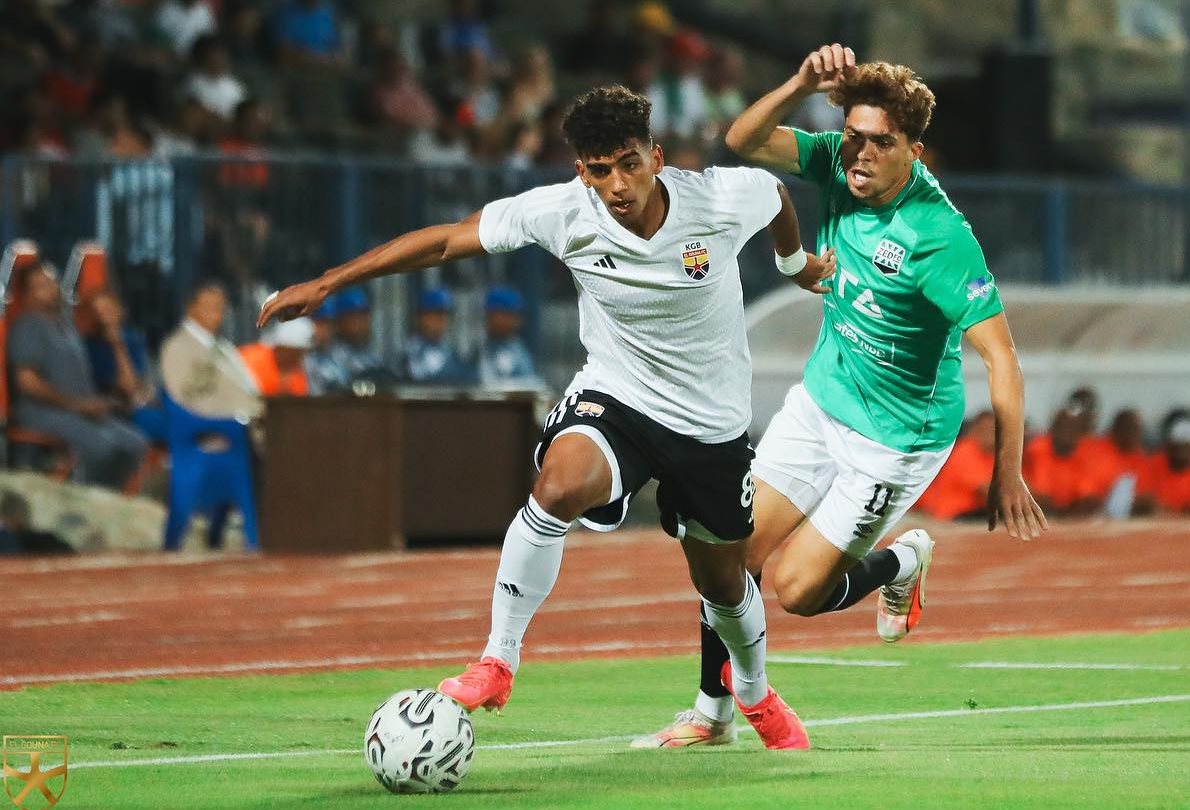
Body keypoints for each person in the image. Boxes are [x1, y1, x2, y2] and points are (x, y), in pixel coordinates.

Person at [259, 84, 834, 749]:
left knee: (724, 583)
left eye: (629, 164)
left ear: (655, 157)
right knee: (557, 486)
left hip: (710, 424)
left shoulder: (719, 198)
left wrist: (794, 264)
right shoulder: (561, 212)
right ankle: (497, 660)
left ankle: (753, 694)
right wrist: (327, 283)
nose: (617, 185)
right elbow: (445, 242)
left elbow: (777, 196)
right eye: (600, 170)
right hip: (619, 397)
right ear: (581, 171)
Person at [636, 44, 1047, 748]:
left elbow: (1001, 359)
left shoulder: (938, 236)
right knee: (726, 552)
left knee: (798, 592)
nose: (859, 154)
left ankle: (900, 561)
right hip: (822, 401)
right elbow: (741, 139)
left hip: (894, 439)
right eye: (853, 135)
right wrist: (799, 83)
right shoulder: (834, 158)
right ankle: (713, 713)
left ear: (914, 151)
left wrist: (1007, 470)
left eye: (880, 142)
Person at [7, 265, 149, 489]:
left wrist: (94, 403)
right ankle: (82, 499)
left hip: (80, 413)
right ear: (27, 295)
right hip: (43, 413)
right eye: (41, 286)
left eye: (51, 282)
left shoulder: (67, 326)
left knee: (135, 443)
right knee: (102, 446)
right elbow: (27, 383)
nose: (50, 289)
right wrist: (77, 405)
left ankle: (108, 496)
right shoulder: (27, 326)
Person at [159, 282, 262, 422]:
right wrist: (240, 413)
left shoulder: (222, 345)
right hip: (222, 423)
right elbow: (185, 398)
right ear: (190, 308)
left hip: (252, 415)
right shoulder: (176, 347)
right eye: (210, 307)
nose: (217, 313)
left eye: (221, 307)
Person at [913, 410, 995, 521]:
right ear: (974, 430)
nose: (990, 435)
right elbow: (988, 490)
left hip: (972, 512)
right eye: (985, 430)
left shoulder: (991, 455)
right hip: (954, 514)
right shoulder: (966, 451)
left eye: (994, 431)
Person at [404, 287, 473, 384]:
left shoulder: (449, 351)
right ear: (421, 317)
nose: (442, 322)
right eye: (437, 315)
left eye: (445, 316)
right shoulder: (411, 352)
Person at [478, 286, 539, 387]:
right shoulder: (478, 349)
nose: (515, 321)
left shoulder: (519, 351)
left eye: (514, 316)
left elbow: (531, 385)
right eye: (506, 315)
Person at [240, 317, 314, 397]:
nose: (298, 358)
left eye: (301, 353)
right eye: (294, 353)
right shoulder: (251, 359)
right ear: (280, 348)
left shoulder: (298, 373)